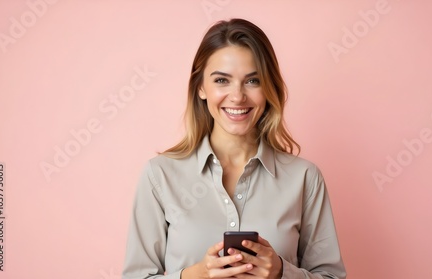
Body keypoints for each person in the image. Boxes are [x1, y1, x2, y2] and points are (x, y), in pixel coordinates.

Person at [122, 18, 346, 279]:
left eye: (253, 81)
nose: (238, 96)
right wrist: (195, 275)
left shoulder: (305, 178)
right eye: (221, 80)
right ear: (201, 88)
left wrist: (281, 272)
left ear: (269, 88)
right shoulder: (160, 175)